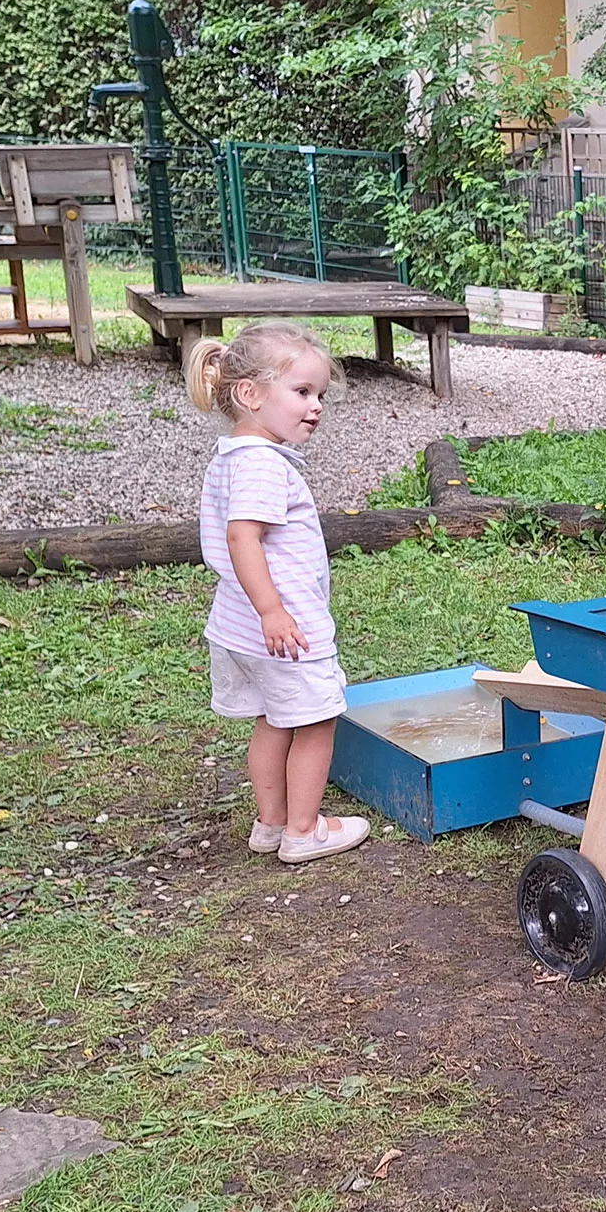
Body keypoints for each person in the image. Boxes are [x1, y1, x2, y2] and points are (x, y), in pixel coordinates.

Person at [189, 322, 371, 865]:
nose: (315, 406)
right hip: (283, 627)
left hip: (238, 627)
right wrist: (273, 610)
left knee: (273, 719)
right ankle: (304, 831)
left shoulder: (233, 456)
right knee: (316, 723)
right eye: (301, 392)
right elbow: (243, 535)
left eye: (319, 395)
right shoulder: (264, 465)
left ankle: (270, 824)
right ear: (250, 393)